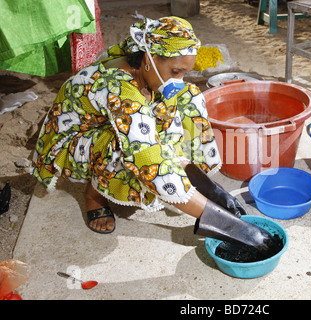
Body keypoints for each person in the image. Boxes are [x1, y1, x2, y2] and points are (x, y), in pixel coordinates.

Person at [30, 16, 277, 253]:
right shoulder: (120, 89)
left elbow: (164, 121)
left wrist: (214, 192)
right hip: (72, 143)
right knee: (127, 147)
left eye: (184, 72)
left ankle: (183, 178)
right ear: (149, 58)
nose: (178, 79)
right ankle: (94, 195)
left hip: (110, 119)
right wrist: (231, 226)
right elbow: (148, 160)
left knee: (188, 96)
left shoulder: (143, 67)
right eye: (176, 71)